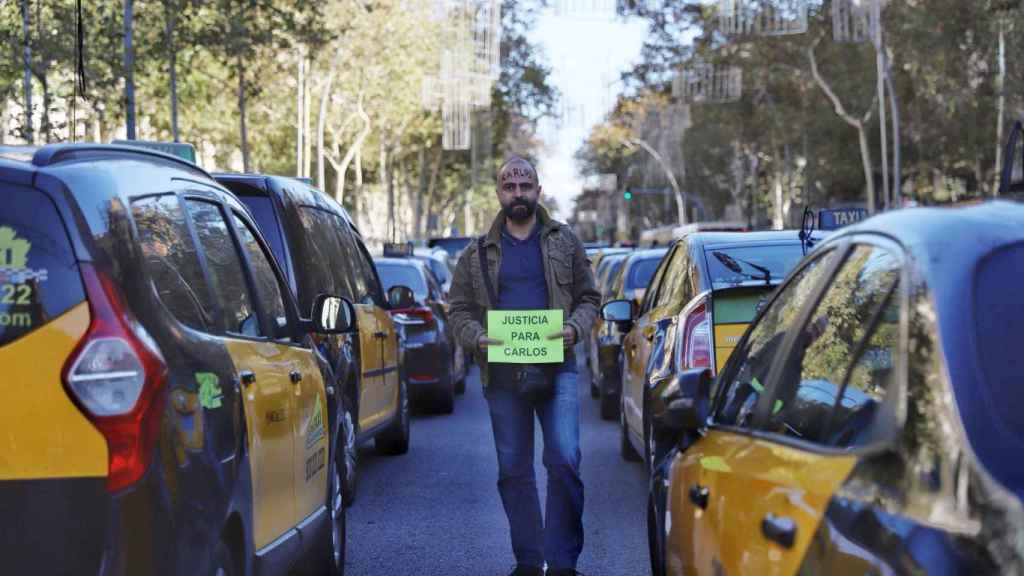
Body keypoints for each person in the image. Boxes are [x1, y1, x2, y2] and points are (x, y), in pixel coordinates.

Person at [448, 156, 600, 576]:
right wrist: (475, 337)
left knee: (565, 459)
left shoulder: (565, 242)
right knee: (513, 470)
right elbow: (457, 309)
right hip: (502, 375)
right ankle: (530, 561)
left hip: (559, 368)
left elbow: (590, 298)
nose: (518, 193)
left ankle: (564, 563)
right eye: (509, 186)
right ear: (499, 193)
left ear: (538, 190)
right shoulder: (475, 253)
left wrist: (574, 329)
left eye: (525, 185)